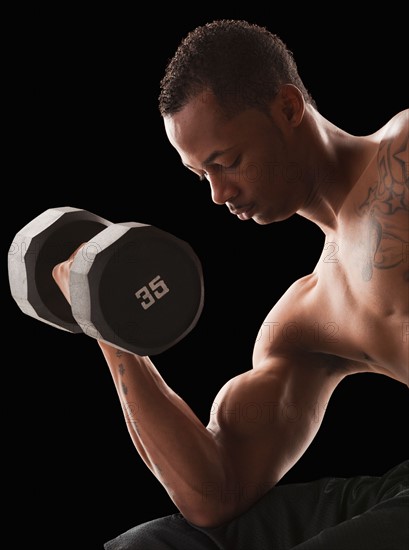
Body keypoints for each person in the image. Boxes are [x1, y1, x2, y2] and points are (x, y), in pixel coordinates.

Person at [53, 19, 408, 550]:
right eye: (202, 177)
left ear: (288, 109)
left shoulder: (402, 157)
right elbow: (214, 493)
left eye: (227, 163)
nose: (218, 195)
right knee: (147, 546)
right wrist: (104, 319)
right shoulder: (305, 320)